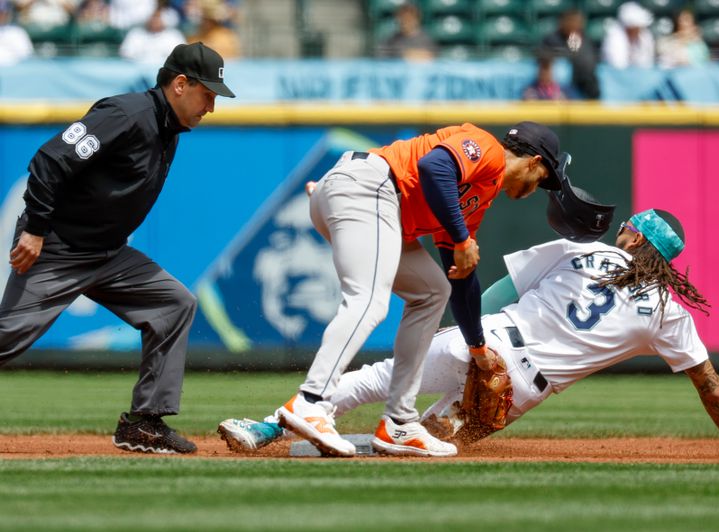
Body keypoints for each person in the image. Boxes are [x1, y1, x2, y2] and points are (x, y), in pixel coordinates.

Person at [219, 201, 719, 456]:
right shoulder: (667, 312)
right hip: (521, 392)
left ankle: (272, 429)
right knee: (428, 443)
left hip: (487, 343)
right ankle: (322, 448)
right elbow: (710, 386)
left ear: (633, 239)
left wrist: (465, 336)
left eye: (629, 229)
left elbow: (498, 294)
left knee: (377, 381)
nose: (623, 232)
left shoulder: (579, 251)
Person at [219, 121, 564, 458]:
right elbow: (434, 166)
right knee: (368, 300)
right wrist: (461, 238)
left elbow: (460, 275)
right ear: (534, 162)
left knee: (432, 291)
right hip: (369, 188)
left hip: (372, 203)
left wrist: (478, 348)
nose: (536, 189)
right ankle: (311, 402)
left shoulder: (480, 196)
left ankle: (399, 421)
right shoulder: (486, 148)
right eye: (542, 179)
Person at [0, 42, 235, 454]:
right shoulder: (126, 114)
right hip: (58, 247)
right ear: (181, 84)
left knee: (173, 304)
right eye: (208, 94)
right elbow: (49, 161)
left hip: (108, 254)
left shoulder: (168, 126)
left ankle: (143, 424)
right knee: (6, 338)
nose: (211, 106)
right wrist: (35, 229)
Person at [541, 9, 600, 99]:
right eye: (571, 21)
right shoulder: (552, 40)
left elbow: (590, 62)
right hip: (558, 87)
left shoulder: (585, 40)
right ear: (563, 22)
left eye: (577, 22)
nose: (574, 25)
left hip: (583, 84)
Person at [119, 2, 186, 64]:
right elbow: (126, 53)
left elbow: (181, 56)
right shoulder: (136, 34)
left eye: (158, 17)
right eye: (153, 17)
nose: (154, 21)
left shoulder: (174, 36)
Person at [601, 1, 655, 69]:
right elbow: (617, 65)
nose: (638, 30)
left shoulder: (645, 35)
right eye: (634, 27)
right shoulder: (614, 36)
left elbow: (647, 63)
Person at [0, 0, 33, 66]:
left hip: (14, 70)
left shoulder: (17, 33)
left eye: (2, 12)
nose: (1, 15)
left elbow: (26, 56)